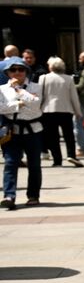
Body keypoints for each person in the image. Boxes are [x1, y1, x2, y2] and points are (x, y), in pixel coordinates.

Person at [1, 56, 44, 208]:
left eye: (21, 69)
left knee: (34, 164)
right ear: (7, 73)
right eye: (13, 70)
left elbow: (34, 104)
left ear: (26, 72)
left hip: (33, 131)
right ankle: (9, 196)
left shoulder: (36, 87)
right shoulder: (2, 89)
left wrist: (18, 90)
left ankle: (33, 195)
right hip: (12, 131)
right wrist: (18, 104)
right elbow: (1, 108)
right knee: (10, 163)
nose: (17, 73)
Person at [38, 57, 83, 167]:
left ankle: (57, 160)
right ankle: (71, 155)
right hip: (65, 110)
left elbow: (40, 95)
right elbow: (74, 97)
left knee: (53, 137)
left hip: (48, 110)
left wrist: (37, 109)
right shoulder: (69, 79)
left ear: (50, 66)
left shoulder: (43, 78)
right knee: (69, 135)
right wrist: (78, 112)